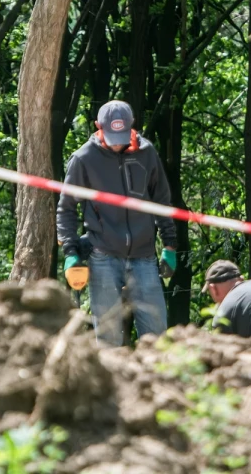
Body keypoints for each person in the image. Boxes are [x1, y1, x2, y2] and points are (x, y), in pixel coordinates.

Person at [56, 100, 177, 347]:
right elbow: (66, 208)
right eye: (112, 135)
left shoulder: (147, 153)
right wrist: (70, 252)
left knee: (156, 336)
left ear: (132, 125)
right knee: (108, 337)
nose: (118, 142)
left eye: (122, 135)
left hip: (144, 256)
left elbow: (162, 201)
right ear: (98, 126)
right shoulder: (83, 159)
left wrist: (169, 246)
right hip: (103, 256)